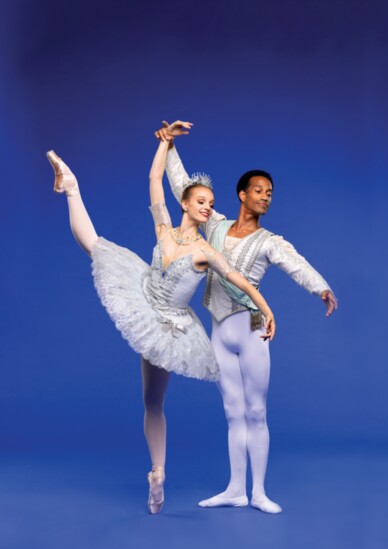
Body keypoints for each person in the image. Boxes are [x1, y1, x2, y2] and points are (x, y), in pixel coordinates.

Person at [46, 126, 275, 515]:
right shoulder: (164, 228)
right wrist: (164, 143)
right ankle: (71, 187)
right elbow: (154, 178)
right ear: (185, 204)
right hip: (143, 297)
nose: (207, 207)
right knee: (96, 246)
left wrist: (265, 308)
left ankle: (159, 473)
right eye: (201, 201)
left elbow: (237, 279)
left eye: (211, 203)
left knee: (154, 401)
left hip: (169, 326)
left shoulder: (204, 250)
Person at [156, 121, 338, 514]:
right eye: (259, 190)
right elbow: (183, 188)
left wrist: (319, 287)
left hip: (253, 329)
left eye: (270, 193)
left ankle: (259, 492)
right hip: (219, 330)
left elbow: (296, 264)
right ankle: (235, 489)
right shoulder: (215, 224)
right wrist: (169, 146)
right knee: (232, 411)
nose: (265, 197)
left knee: (256, 410)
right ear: (242, 194)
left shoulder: (270, 241)